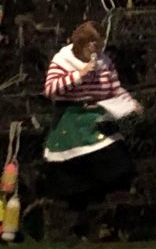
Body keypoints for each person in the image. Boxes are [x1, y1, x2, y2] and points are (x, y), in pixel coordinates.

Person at [43, 21, 142, 239]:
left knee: (118, 163)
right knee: (76, 179)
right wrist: (79, 74)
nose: (94, 48)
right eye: (90, 44)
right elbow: (50, 89)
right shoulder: (62, 60)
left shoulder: (104, 62)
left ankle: (111, 221)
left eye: (97, 43)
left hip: (97, 117)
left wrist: (130, 103)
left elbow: (115, 89)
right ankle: (77, 225)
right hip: (71, 119)